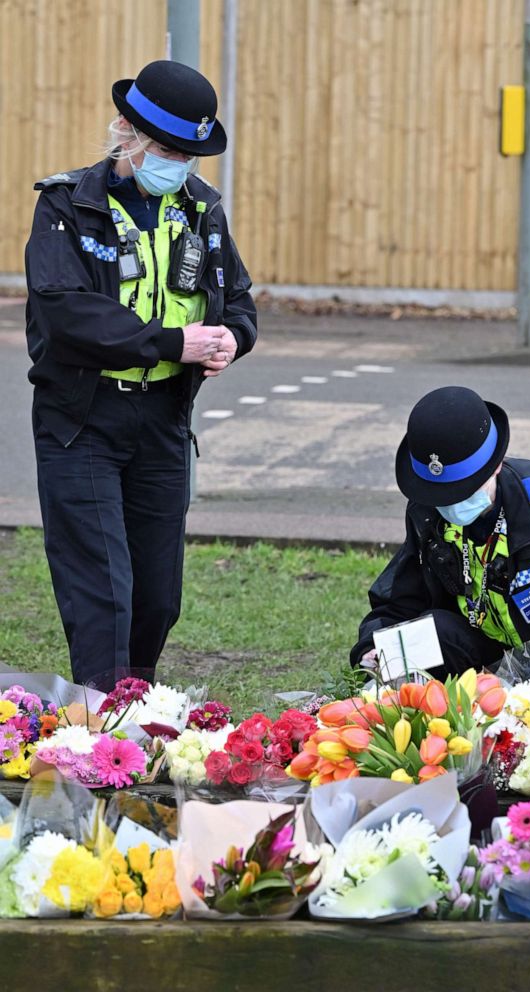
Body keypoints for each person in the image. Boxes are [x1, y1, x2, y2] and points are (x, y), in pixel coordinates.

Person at [25, 60, 257, 689]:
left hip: (162, 422)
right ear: (125, 133)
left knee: (158, 597)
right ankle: (103, 734)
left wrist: (230, 338)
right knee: (104, 592)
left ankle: (134, 704)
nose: (178, 164)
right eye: (167, 150)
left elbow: (238, 301)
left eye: (189, 154)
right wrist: (172, 343)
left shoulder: (202, 213)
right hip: (84, 420)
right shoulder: (66, 207)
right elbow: (66, 315)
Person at [350, 386, 530, 702]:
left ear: (497, 464)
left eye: (463, 490)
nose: (451, 506)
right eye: (442, 496)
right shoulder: (427, 509)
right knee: (427, 632)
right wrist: (373, 649)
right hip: (490, 648)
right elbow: (401, 599)